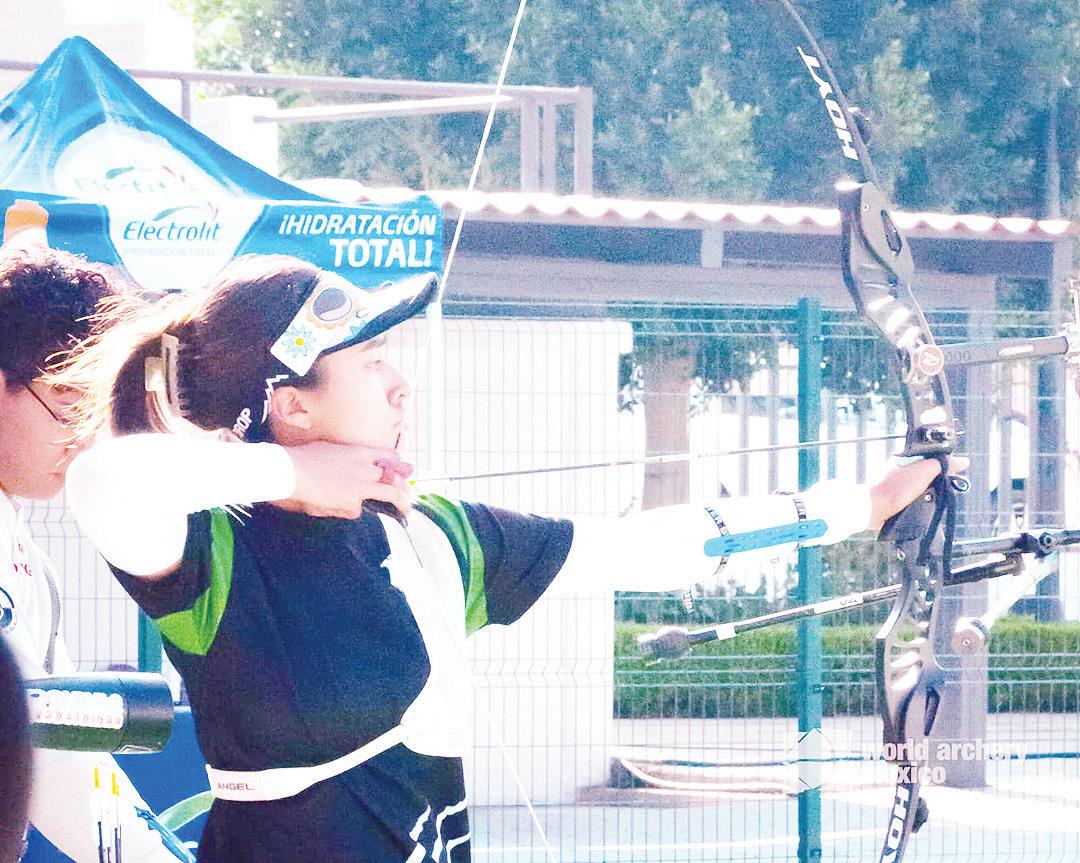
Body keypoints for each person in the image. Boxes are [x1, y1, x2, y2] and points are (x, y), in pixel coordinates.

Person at [57, 253, 961, 862]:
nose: (400, 382)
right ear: (292, 404)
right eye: (371, 361)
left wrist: (859, 505)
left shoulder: (428, 532)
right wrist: (292, 472)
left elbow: (639, 547)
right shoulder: (216, 551)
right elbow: (100, 480)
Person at [0, 246, 177, 862]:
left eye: (95, 412)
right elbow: (56, 760)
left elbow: (67, 760)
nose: (83, 438)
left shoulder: (21, 547)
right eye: (70, 405)